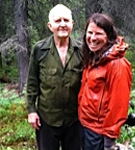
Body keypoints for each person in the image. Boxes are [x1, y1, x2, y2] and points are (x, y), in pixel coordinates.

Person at [26, 4, 82, 150]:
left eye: (66, 20)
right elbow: (32, 82)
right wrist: (31, 111)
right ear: (50, 26)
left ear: (72, 24)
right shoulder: (39, 49)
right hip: (47, 119)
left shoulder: (81, 51)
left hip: (74, 120)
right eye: (58, 21)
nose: (62, 24)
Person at [78, 13, 132, 150]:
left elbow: (118, 105)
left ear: (108, 36)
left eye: (99, 34)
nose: (93, 38)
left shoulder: (117, 64)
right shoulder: (94, 57)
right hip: (85, 126)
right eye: (90, 33)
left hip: (99, 133)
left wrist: (109, 141)